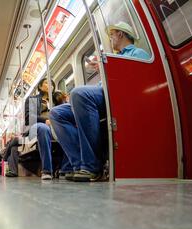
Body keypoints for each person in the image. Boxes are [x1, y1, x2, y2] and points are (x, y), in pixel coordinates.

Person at [49, 22, 151, 182]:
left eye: (112, 35)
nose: (111, 39)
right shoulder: (112, 59)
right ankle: (79, 164)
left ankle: (92, 166)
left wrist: (109, 70)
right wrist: (104, 70)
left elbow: (136, 81)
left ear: (120, 34)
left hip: (115, 95)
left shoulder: (137, 54)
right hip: (103, 94)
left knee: (79, 93)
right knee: (57, 113)